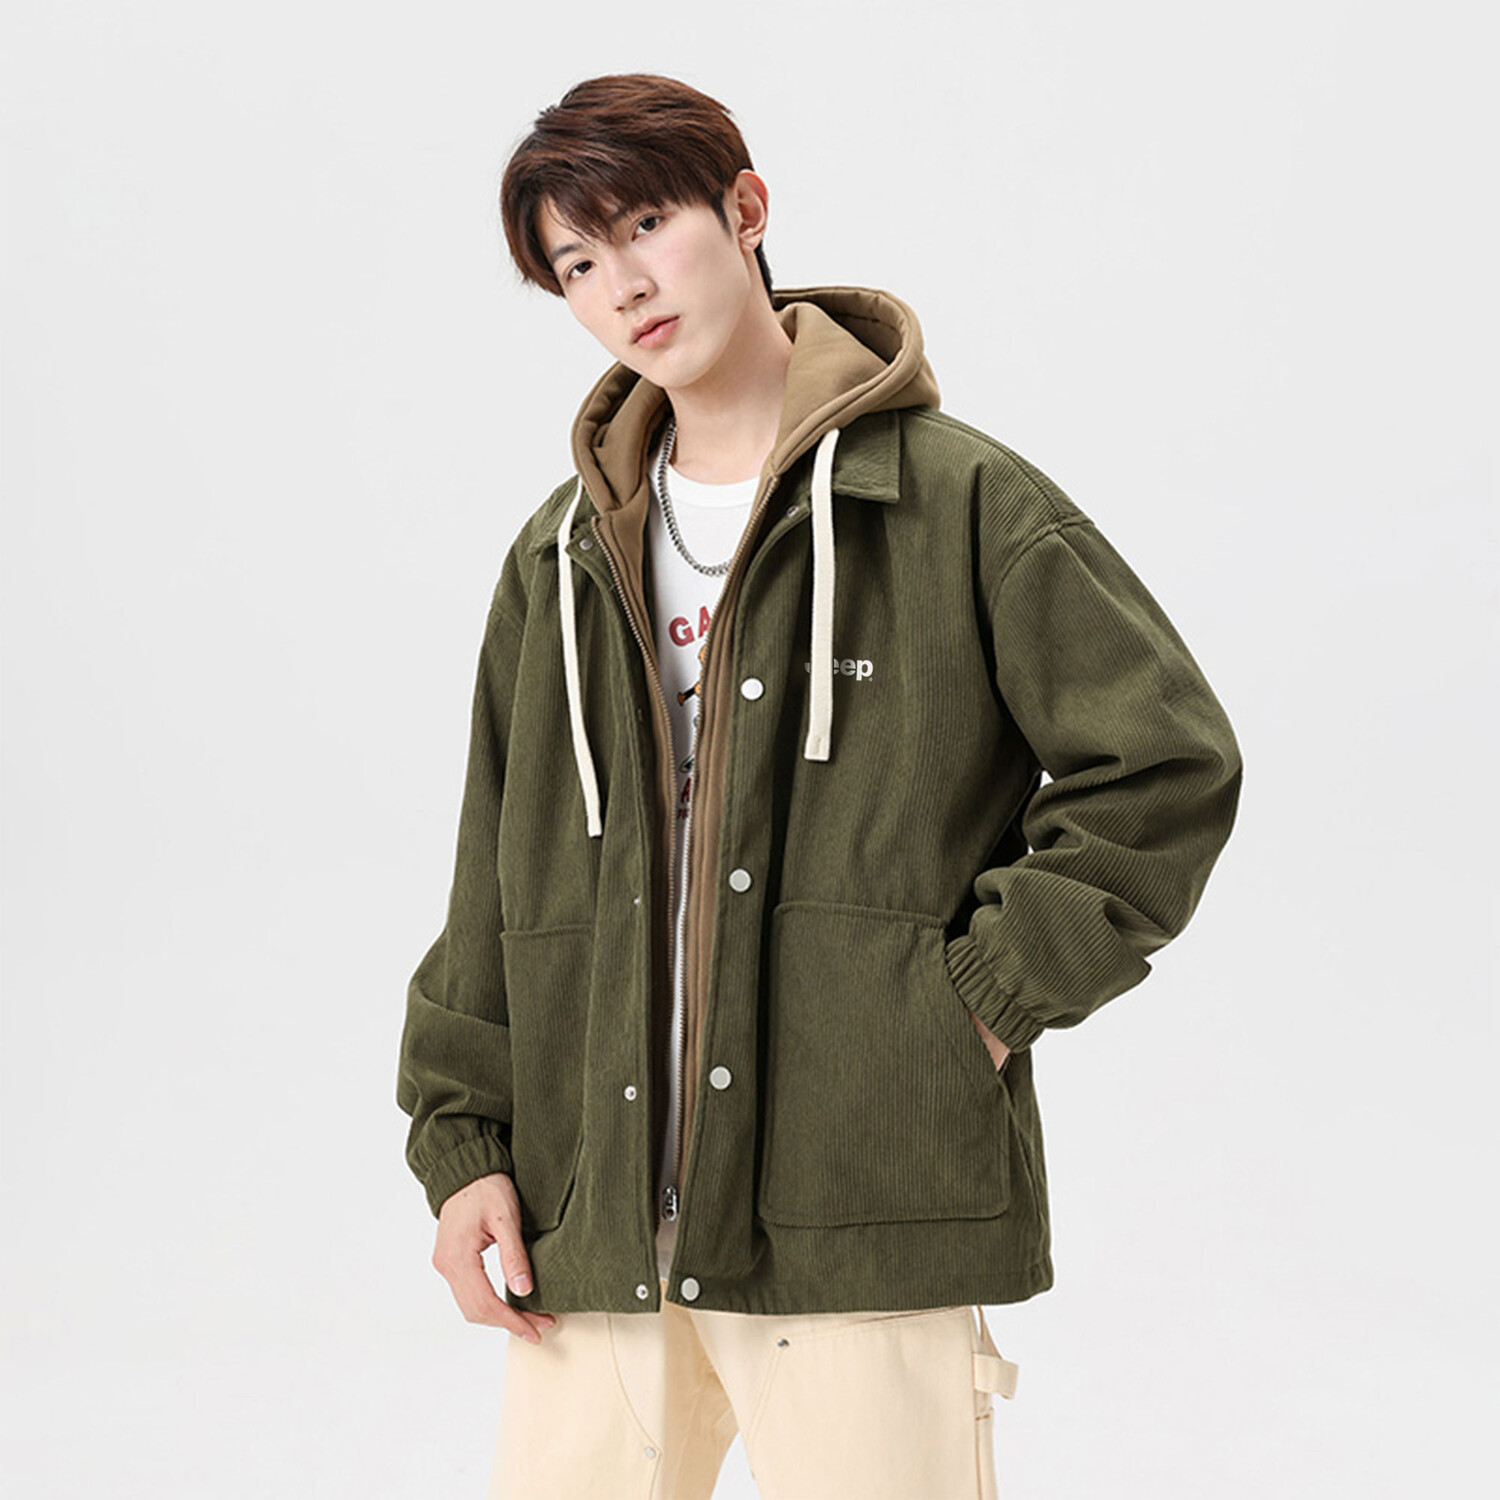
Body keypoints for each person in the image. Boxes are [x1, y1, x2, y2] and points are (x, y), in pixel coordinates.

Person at [396, 72, 1243, 1499]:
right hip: (590, 1225)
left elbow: (1164, 764)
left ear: (745, 208)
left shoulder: (957, 503)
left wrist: (974, 1008)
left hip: (863, 1203)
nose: (623, 285)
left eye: (646, 225)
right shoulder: (558, 559)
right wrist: (463, 1141)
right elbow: (495, 871)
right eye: (578, 265)